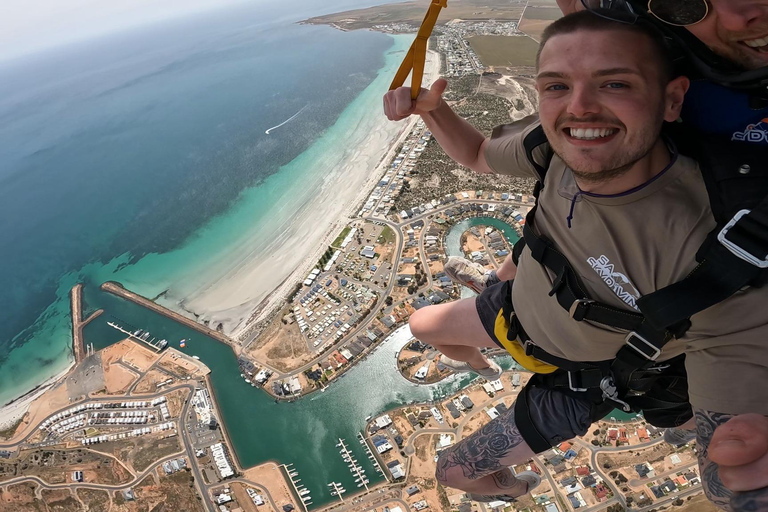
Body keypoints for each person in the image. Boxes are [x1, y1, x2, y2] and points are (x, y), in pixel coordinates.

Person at [382, 10, 768, 512]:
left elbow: (731, 476)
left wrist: (739, 478)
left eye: (614, 84)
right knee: (421, 324)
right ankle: (483, 361)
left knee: (452, 472)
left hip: (589, 377)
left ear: (673, 99)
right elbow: (476, 153)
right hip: (522, 311)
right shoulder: (551, 148)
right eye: (557, 86)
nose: (580, 107)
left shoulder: (722, 257)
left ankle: (517, 488)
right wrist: (431, 111)